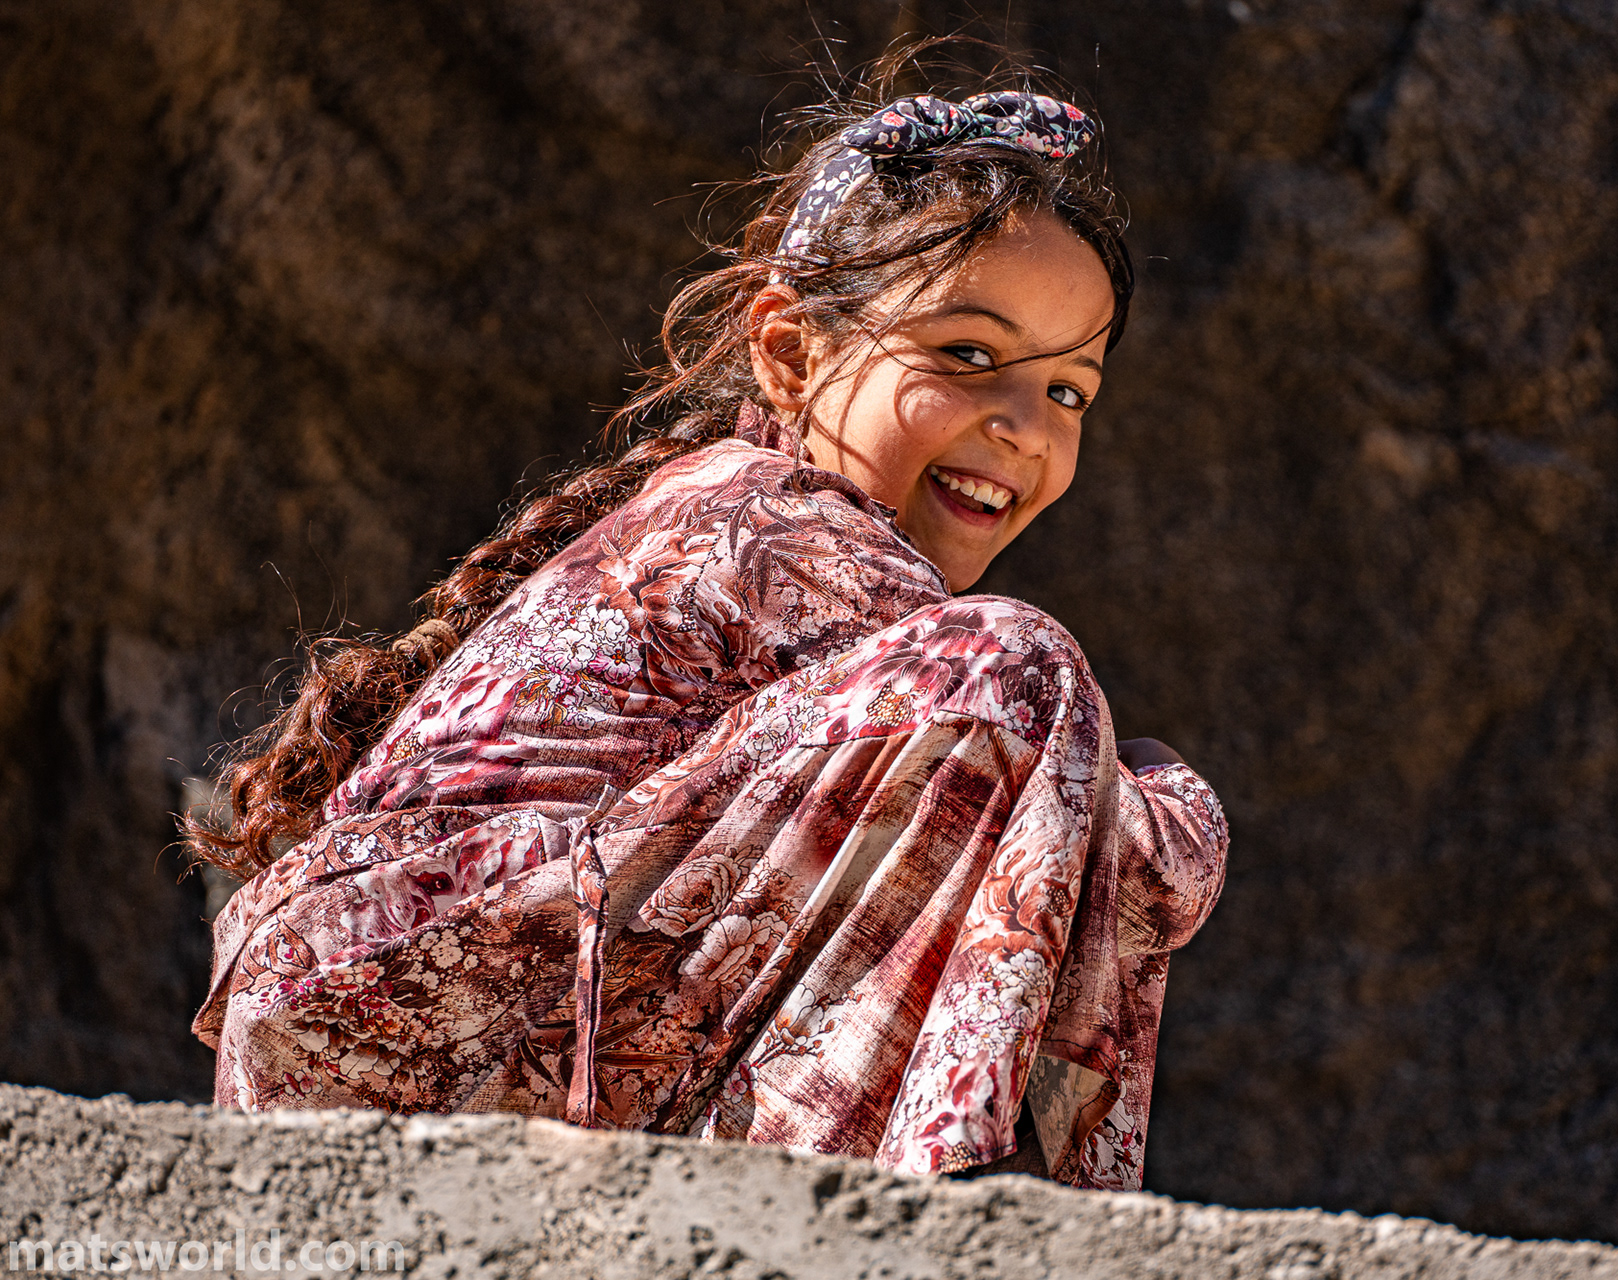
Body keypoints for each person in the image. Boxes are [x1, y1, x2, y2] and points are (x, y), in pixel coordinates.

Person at [186, 62, 1228, 1192]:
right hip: (403, 1019)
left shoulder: (754, 532)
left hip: (442, 1017)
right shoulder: (770, 524)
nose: (1025, 427)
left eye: (1069, 391)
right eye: (968, 356)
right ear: (788, 351)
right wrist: (1173, 798)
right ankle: (908, 1209)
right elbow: (1133, 853)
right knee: (1007, 668)